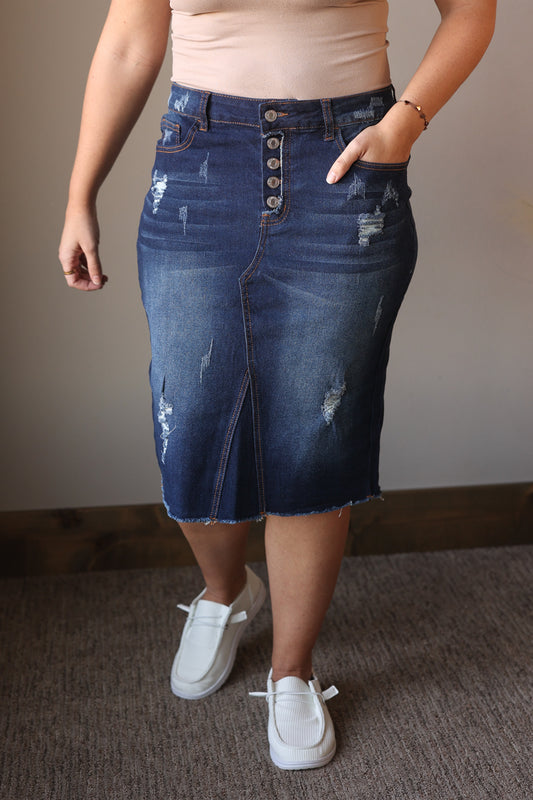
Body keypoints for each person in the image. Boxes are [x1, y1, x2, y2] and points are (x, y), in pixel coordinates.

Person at [59, 0, 496, 771]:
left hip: (346, 161)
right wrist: (77, 195)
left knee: (314, 433)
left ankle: (291, 670)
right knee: (187, 425)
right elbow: (131, 40)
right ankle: (226, 591)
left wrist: (402, 124)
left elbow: (472, 11)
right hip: (200, 159)